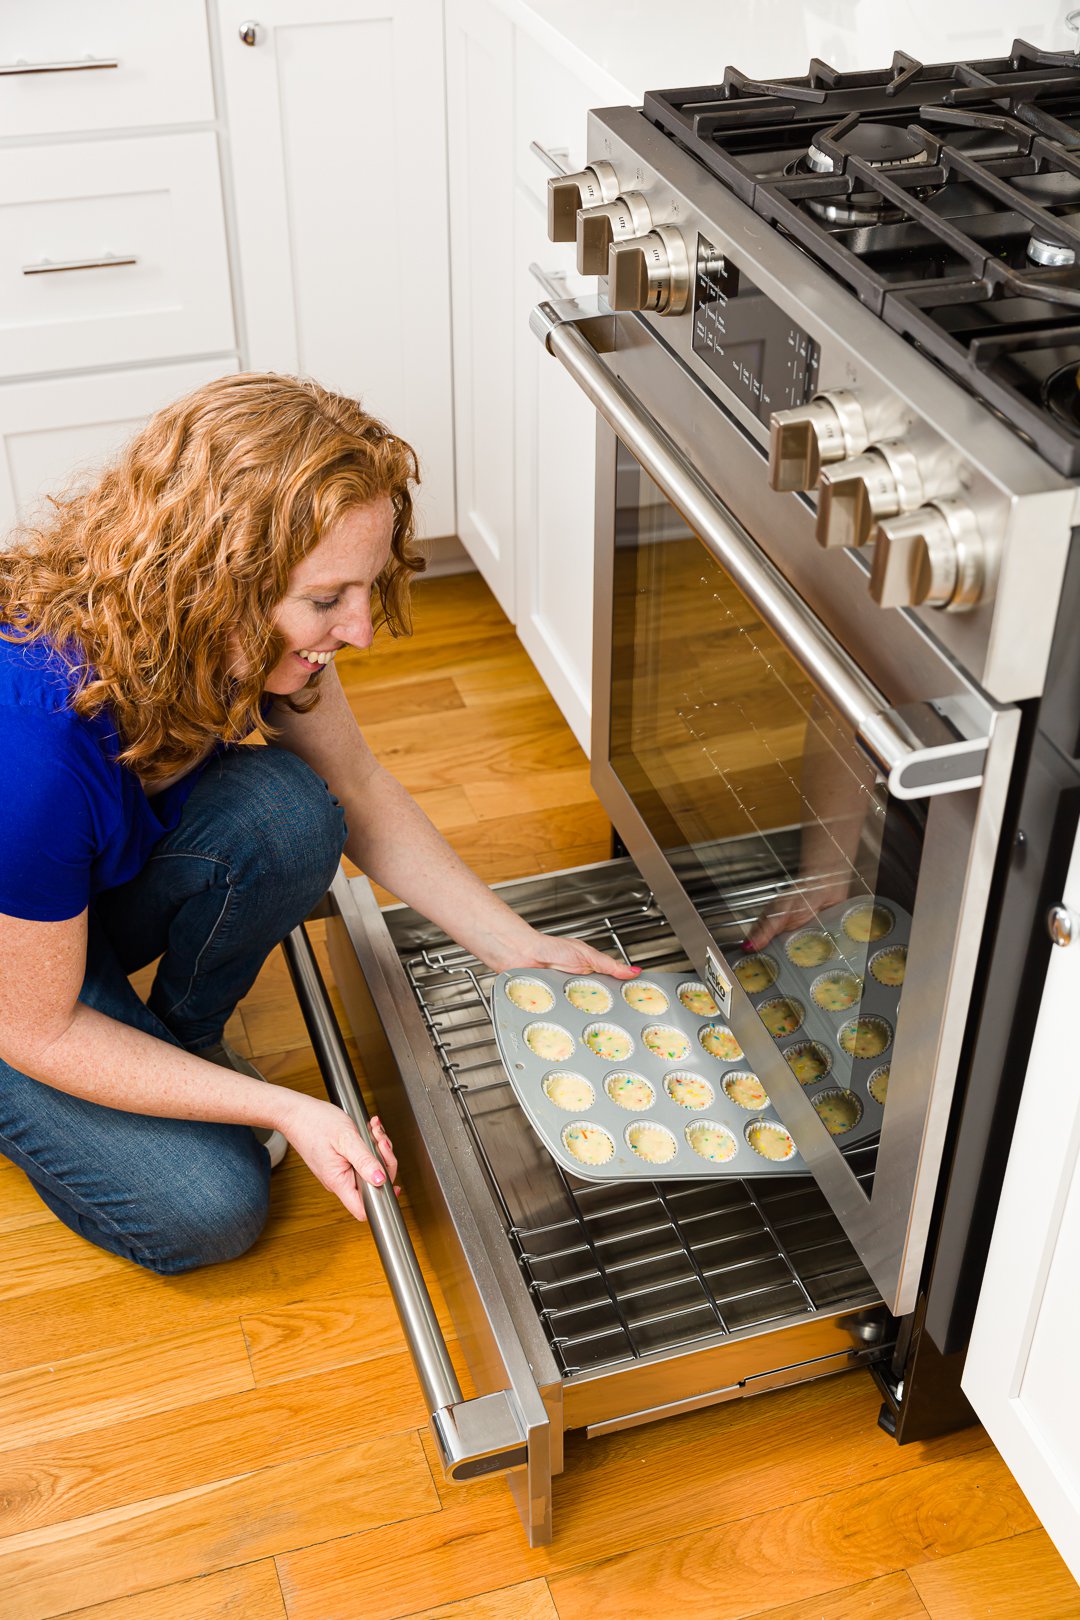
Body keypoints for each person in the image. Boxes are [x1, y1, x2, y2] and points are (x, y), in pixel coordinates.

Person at [0, 373, 637, 1276]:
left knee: (295, 810)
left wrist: (516, 946)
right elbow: (38, 1028)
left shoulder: (227, 641)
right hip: (15, 996)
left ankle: (178, 1044)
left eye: (365, 590)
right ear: (215, 580)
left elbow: (361, 790)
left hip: (59, 911)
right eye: (330, 599)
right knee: (207, 1209)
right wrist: (286, 1111)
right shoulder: (31, 748)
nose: (363, 631)